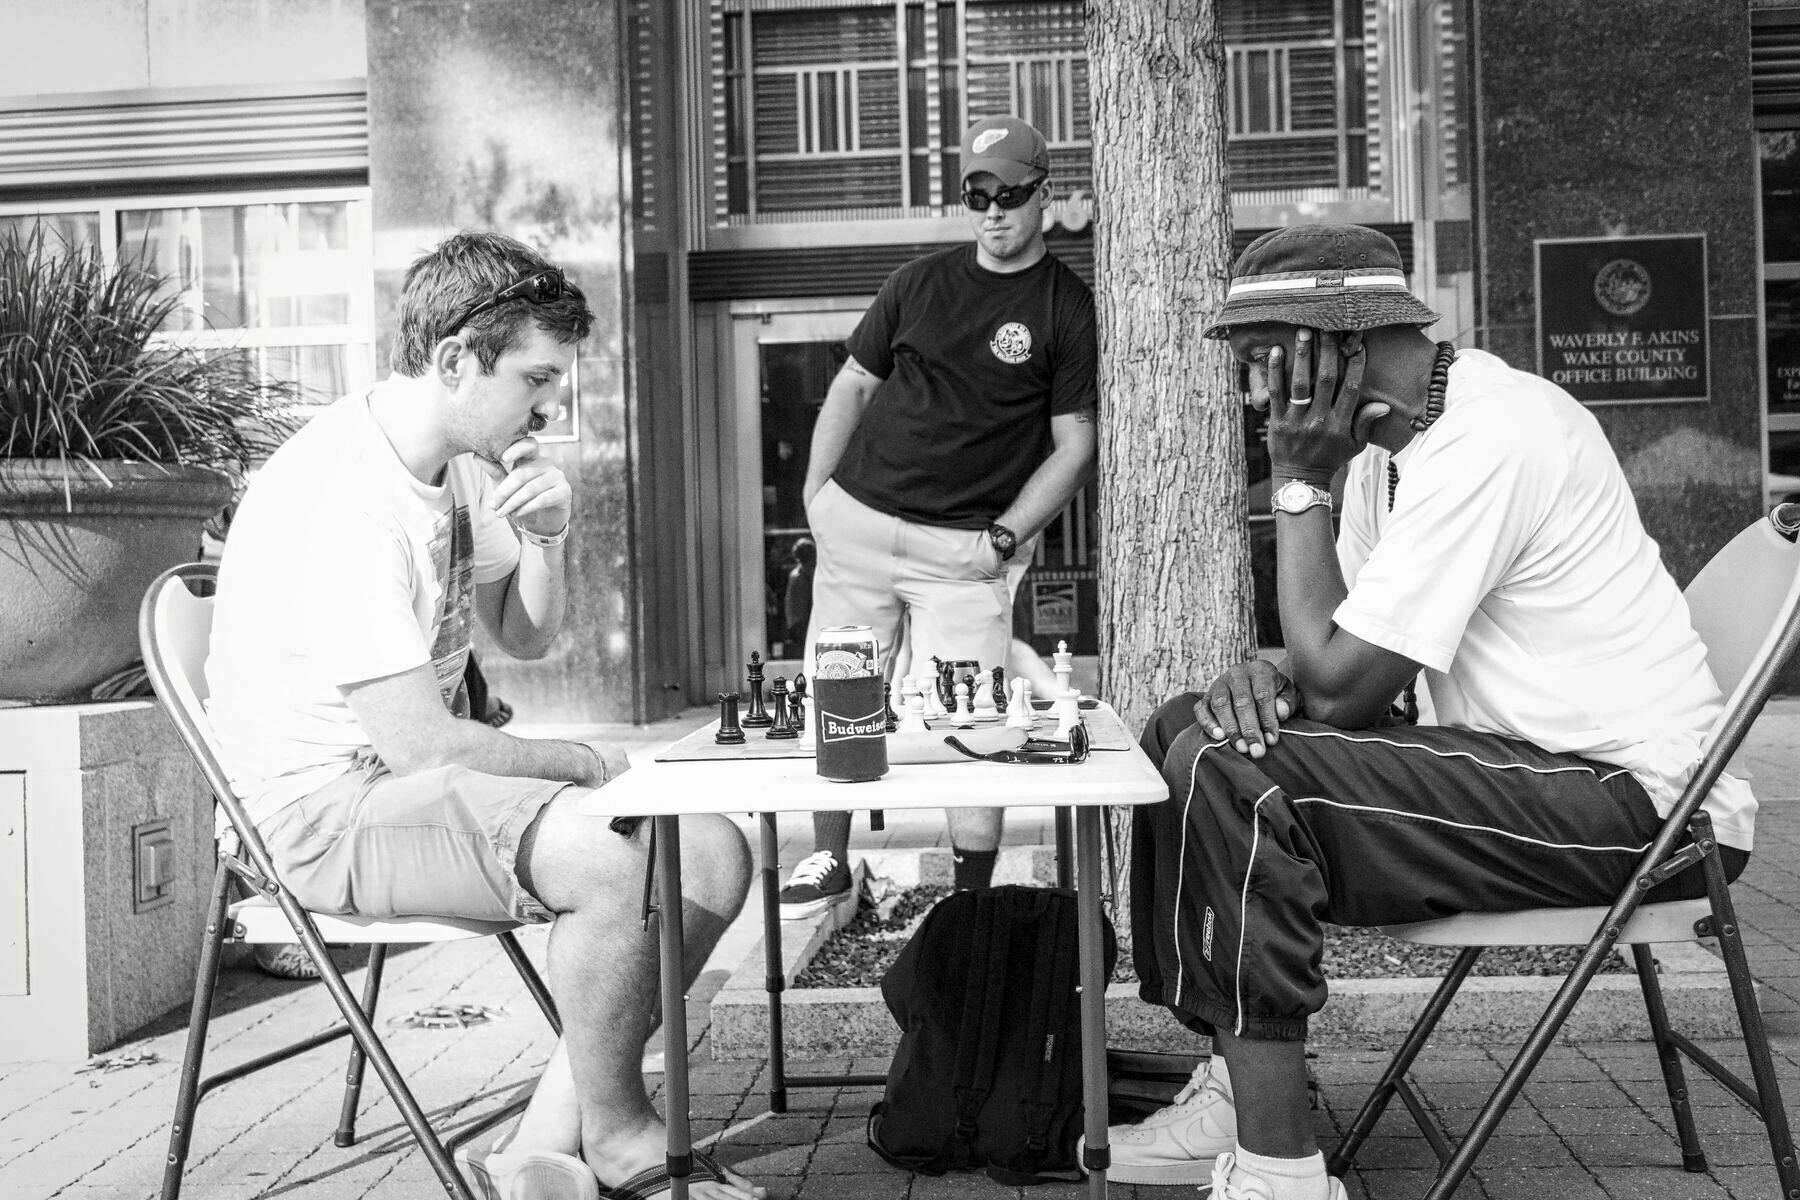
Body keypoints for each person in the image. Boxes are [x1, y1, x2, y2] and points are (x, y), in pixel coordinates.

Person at [1106, 224, 1755, 1200]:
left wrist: (1295, 485)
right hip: (1523, 767)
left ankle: (1279, 1174)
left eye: (1264, 367)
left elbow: (1343, 689)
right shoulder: (1387, 459)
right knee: (1182, 728)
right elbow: (1352, 662)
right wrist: (1265, 678)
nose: (1253, 397)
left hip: (1642, 806)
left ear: (1345, 350)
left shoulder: (1491, 437)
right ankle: (1237, 1097)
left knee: (1235, 776)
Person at [206, 231, 762, 1200]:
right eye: (537, 378)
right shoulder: (351, 498)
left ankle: (537, 1147)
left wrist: (548, 541)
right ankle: (623, 1131)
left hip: (404, 786)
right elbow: (416, 741)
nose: (552, 405)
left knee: (713, 851)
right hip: (319, 811)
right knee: (618, 858)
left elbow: (528, 634)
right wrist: (585, 766)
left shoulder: (457, 459)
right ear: (458, 360)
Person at [779, 115, 1098, 917]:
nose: (993, 211)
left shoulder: (1064, 307)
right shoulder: (918, 282)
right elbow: (853, 382)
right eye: (977, 194)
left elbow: (1074, 444)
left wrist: (1004, 537)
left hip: (963, 549)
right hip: (857, 523)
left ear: (1045, 196)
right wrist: (816, 495)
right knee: (841, 690)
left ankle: (969, 898)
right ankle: (830, 856)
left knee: (977, 716)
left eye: (1011, 194)